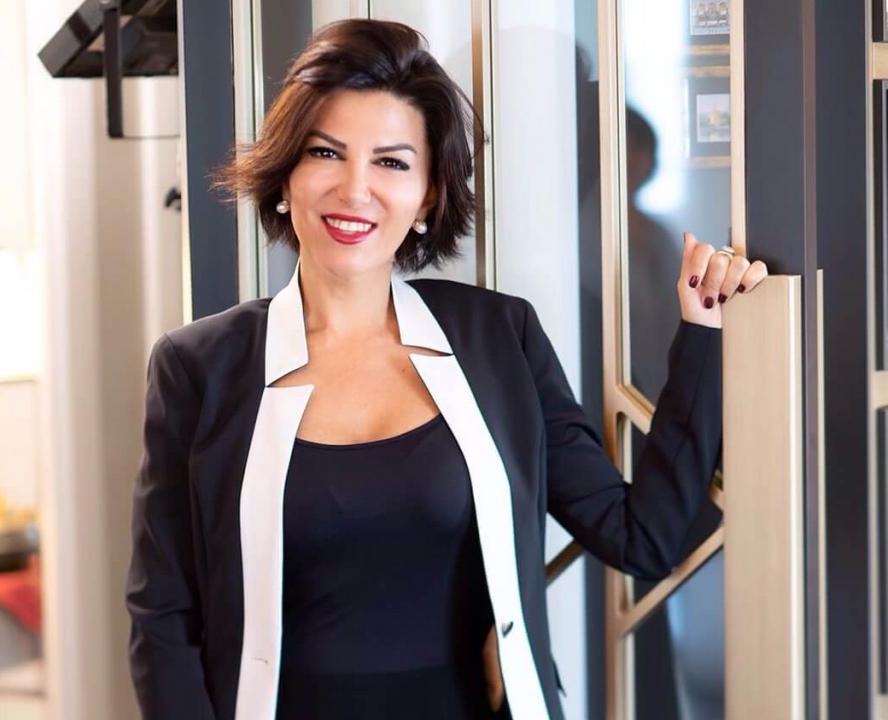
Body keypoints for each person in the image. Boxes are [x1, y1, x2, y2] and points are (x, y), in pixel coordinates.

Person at [126, 19, 768, 720]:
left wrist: (702, 330)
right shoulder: (199, 367)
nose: (355, 188)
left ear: (429, 197)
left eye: (392, 163)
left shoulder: (497, 338)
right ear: (286, 177)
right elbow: (163, 617)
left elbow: (641, 536)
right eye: (325, 152)